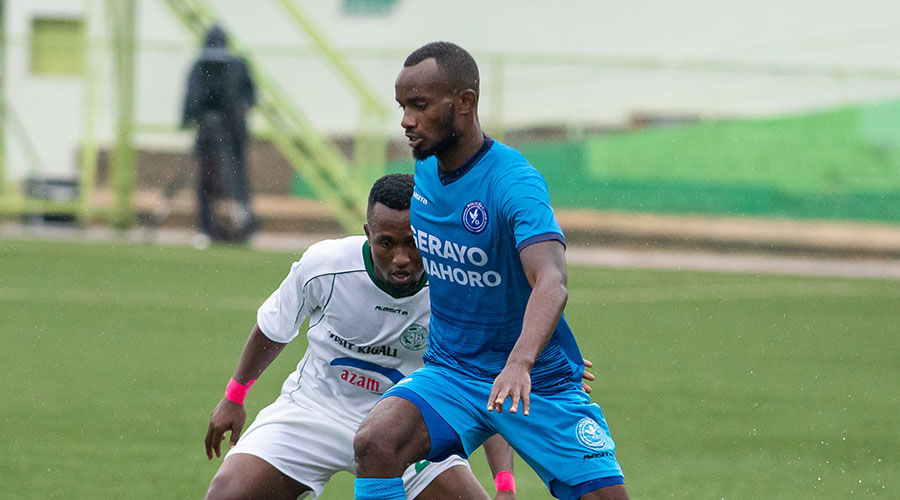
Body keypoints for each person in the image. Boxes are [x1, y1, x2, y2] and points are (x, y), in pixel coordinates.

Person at [353, 42, 630, 500]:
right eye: (402, 107)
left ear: (464, 102)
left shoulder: (513, 183)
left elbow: (551, 281)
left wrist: (524, 358)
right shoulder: (424, 173)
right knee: (375, 442)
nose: (406, 120)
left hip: (534, 384)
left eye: (419, 106)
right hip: (453, 375)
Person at [203, 174, 519, 500]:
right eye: (386, 243)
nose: (400, 257)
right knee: (228, 494)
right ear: (368, 235)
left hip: (408, 425)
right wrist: (234, 397)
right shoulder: (325, 266)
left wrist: (505, 486)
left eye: (412, 242)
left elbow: (483, 385)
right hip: (313, 411)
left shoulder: (460, 292)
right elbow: (274, 328)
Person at [182, 24, 256, 244]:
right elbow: (193, 97)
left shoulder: (238, 66)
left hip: (232, 135)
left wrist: (238, 111)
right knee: (206, 181)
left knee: (237, 181)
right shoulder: (200, 66)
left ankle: (245, 228)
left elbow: (250, 97)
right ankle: (205, 228)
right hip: (209, 135)